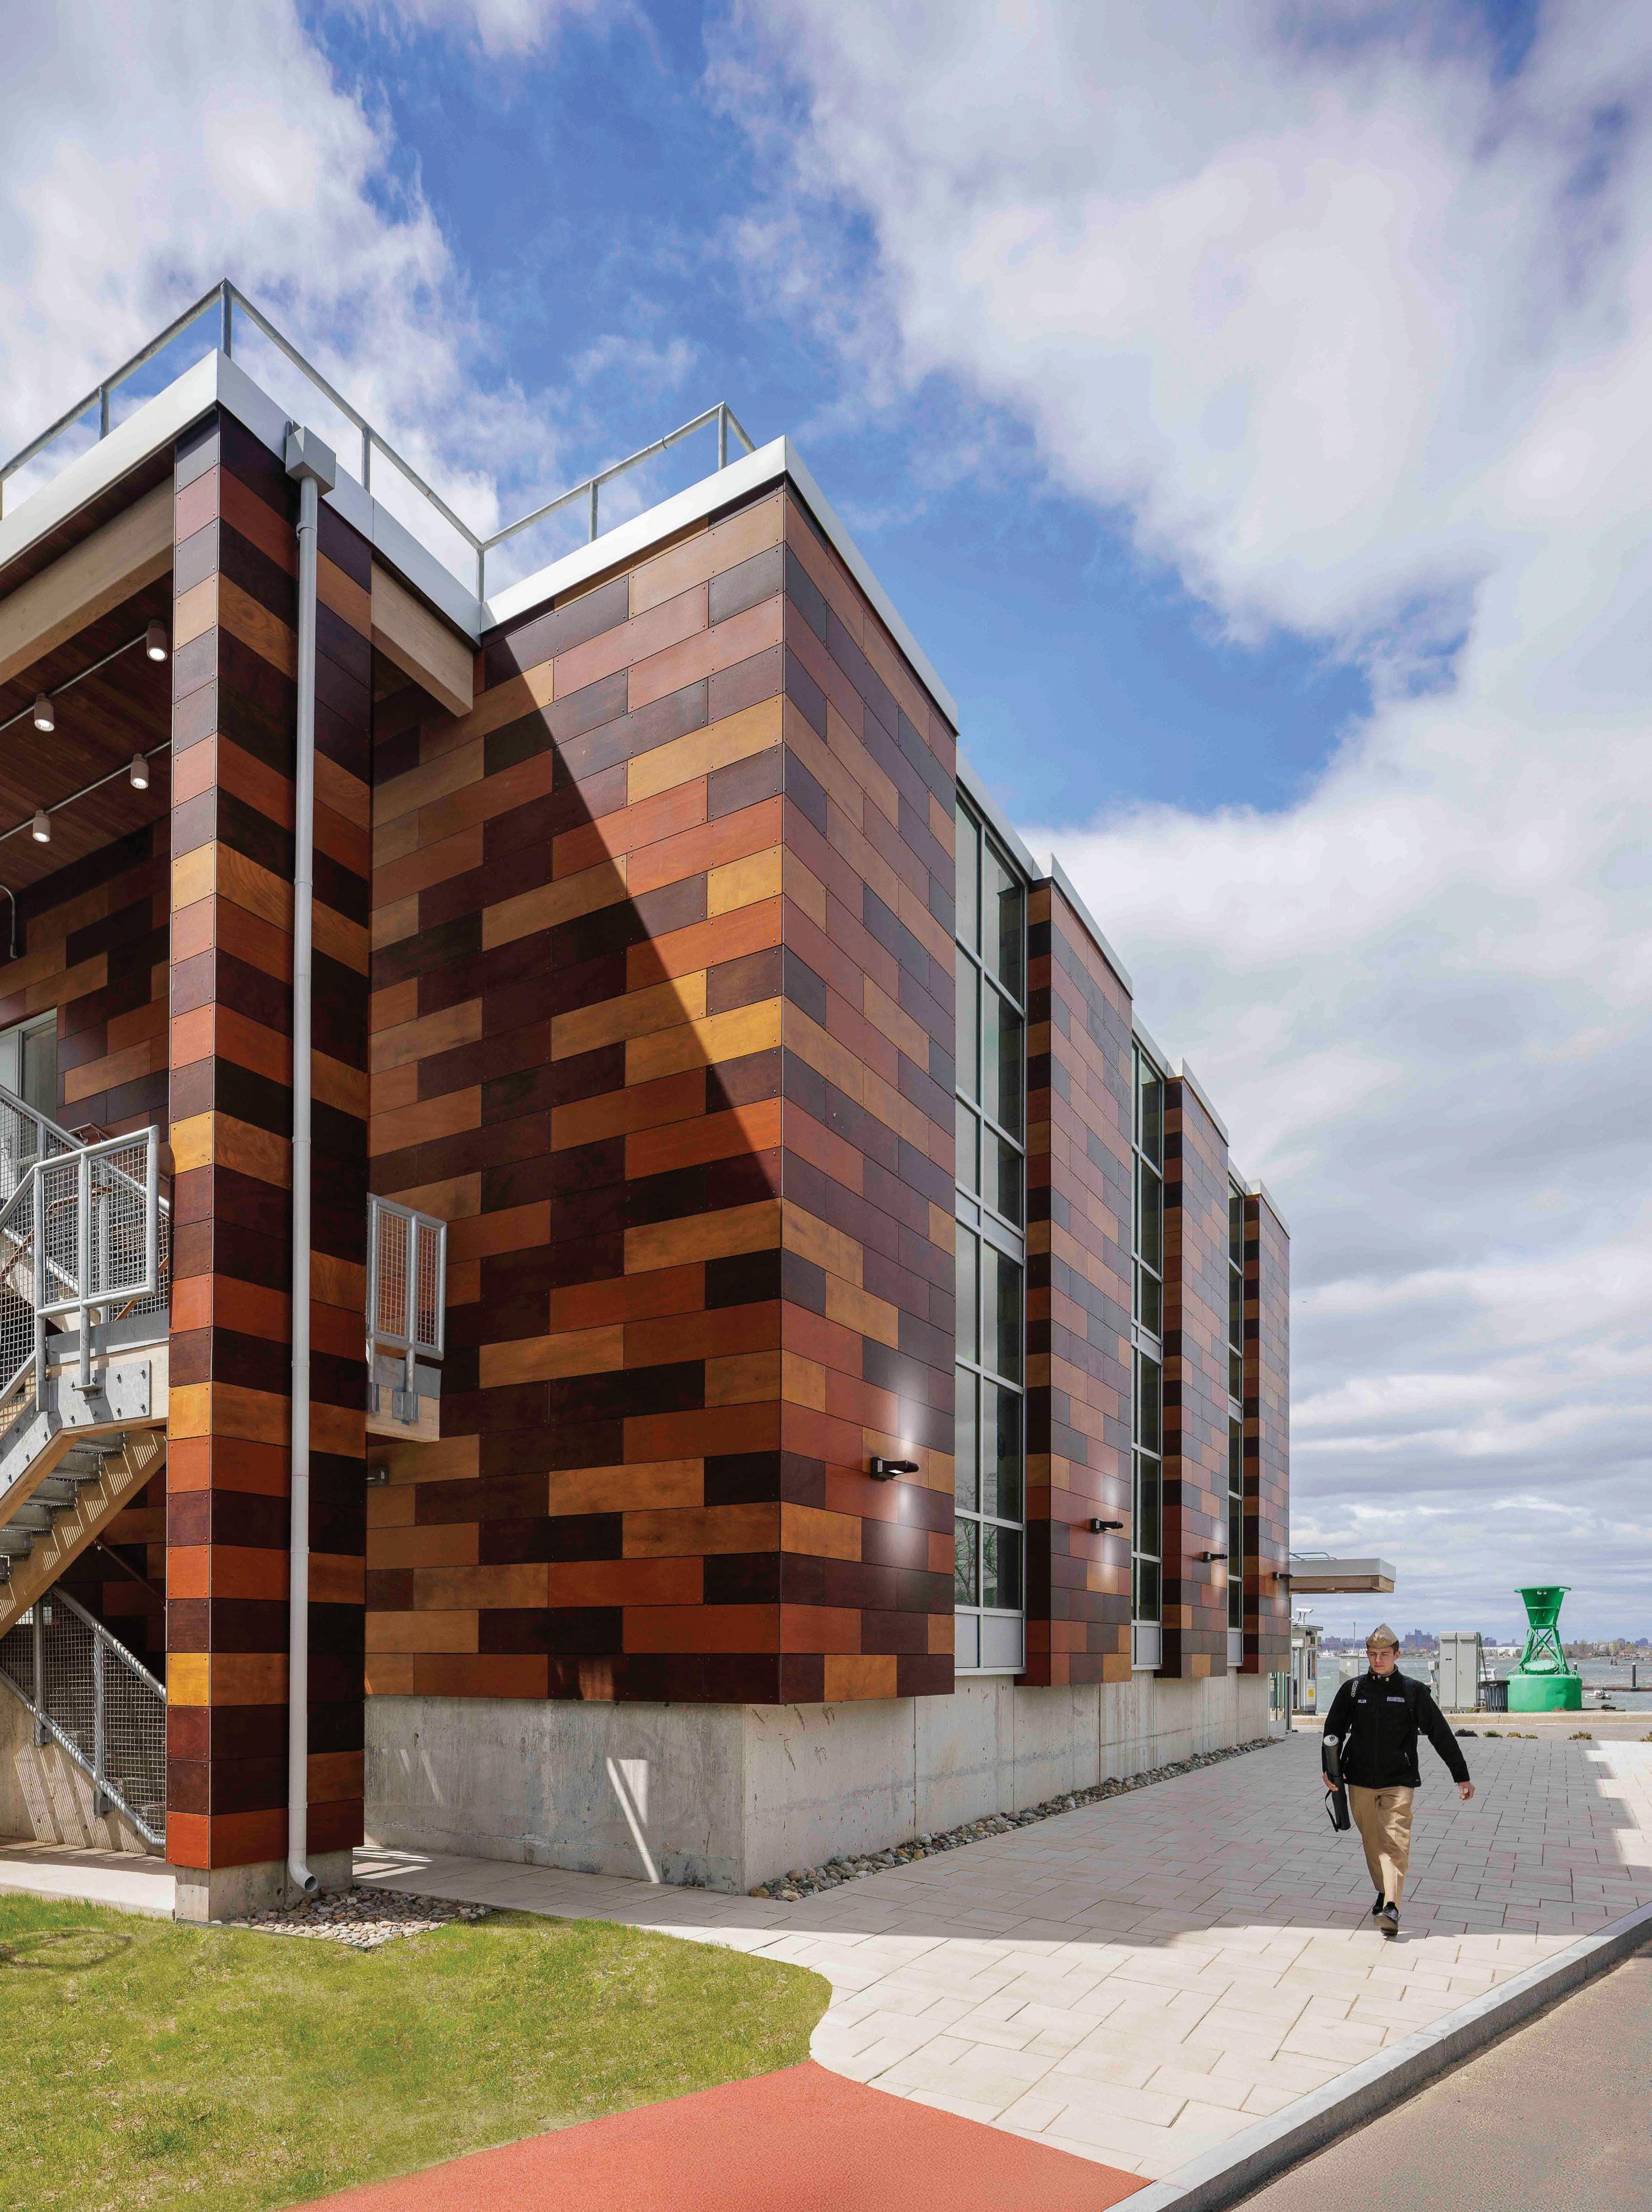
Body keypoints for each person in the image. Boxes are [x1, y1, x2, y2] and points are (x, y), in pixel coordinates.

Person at [1321, 1624, 1474, 1938]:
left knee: (1394, 1840)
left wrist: (1461, 1775)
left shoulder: (1412, 1691)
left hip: (1399, 1781)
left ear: (1397, 1655)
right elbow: (1332, 1730)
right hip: (1359, 1780)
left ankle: (1391, 1906)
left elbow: (1440, 1733)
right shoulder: (1353, 1690)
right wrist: (1329, 1769)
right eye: (1372, 1654)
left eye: (1384, 1654)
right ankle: (1384, 1891)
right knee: (1373, 1843)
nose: (1378, 1660)